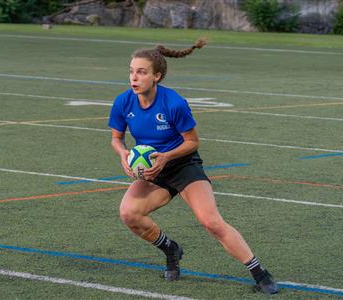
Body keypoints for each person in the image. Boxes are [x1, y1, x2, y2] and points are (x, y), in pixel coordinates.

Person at [108, 38, 279, 295]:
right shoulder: (123, 102)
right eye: (131, 71)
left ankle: (259, 273)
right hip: (154, 171)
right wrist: (123, 155)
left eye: (141, 72)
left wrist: (165, 157)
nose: (134, 77)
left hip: (182, 165)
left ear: (157, 76)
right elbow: (116, 138)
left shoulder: (174, 103)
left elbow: (192, 142)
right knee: (129, 214)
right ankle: (171, 249)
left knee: (211, 222)